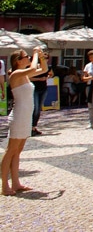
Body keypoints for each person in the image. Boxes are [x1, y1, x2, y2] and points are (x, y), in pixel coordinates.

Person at [3, 47, 44, 194]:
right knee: (11, 151)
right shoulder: (17, 73)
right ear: (18, 61)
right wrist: (35, 54)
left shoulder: (25, 75)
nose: (27, 58)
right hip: (19, 115)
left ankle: (16, 183)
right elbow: (34, 67)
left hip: (26, 116)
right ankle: (5, 186)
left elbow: (43, 68)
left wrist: (41, 56)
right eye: (25, 56)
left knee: (17, 151)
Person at [29, 48, 51, 136]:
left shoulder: (47, 67)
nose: (45, 60)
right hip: (34, 88)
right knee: (35, 108)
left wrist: (48, 77)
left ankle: (33, 127)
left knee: (38, 109)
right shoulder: (34, 67)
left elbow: (50, 73)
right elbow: (28, 77)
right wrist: (39, 79)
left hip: (43, 88)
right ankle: (30, 127)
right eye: (43, 58)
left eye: (46, 58)